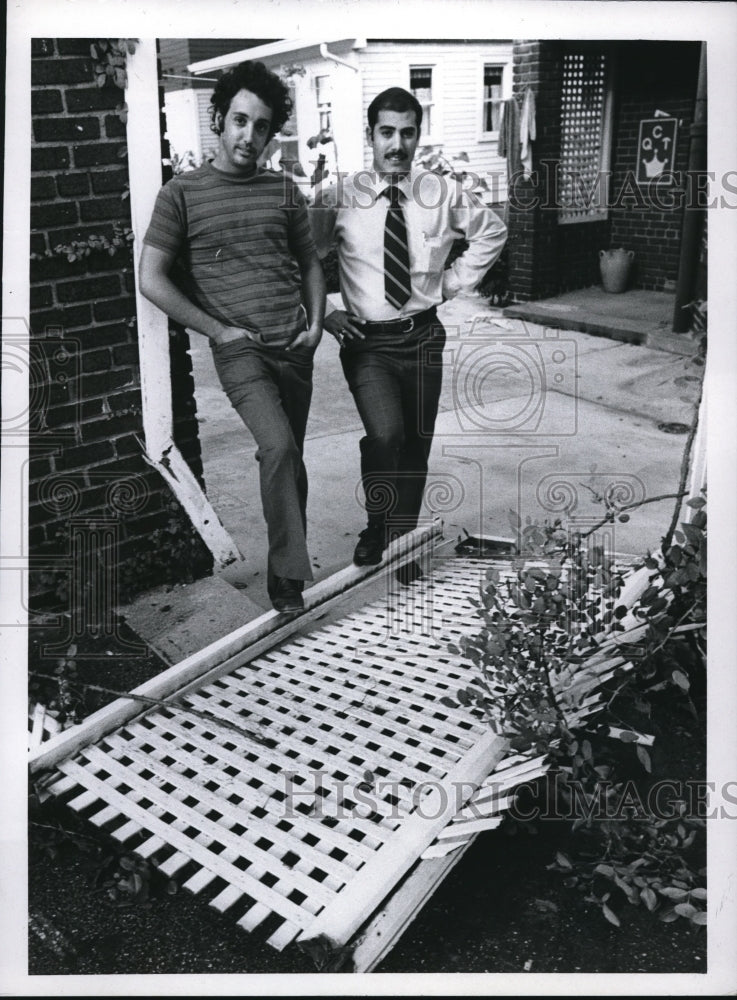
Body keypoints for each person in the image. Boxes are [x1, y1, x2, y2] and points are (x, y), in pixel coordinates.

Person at [139, 61, 325, 613]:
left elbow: (312, 265)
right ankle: (289, 581)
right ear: (219, 119)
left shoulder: (283, 190)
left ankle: (284, 568)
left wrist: (315, 326)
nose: (249, 136)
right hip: (240, 350)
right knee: (279, 446)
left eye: (262, 126)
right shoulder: (183, 194)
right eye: (240, 121)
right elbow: (151, 278)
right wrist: (218, 329)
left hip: (294, 346)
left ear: (272, 133)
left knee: (289, 459)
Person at [311, 87, 507, 573]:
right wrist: (326, 313)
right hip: (367, 342)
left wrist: (452, 283)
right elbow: (305, 259)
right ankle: (378, 526)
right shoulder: (340, 195)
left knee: (416, 443)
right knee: (386, 435)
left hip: (422, 335)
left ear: (418, 135)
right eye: (386, 132)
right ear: (371, 135)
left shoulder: (441, 193)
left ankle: (402, 545)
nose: (396, 144)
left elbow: (492, 231)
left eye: (407, 132)